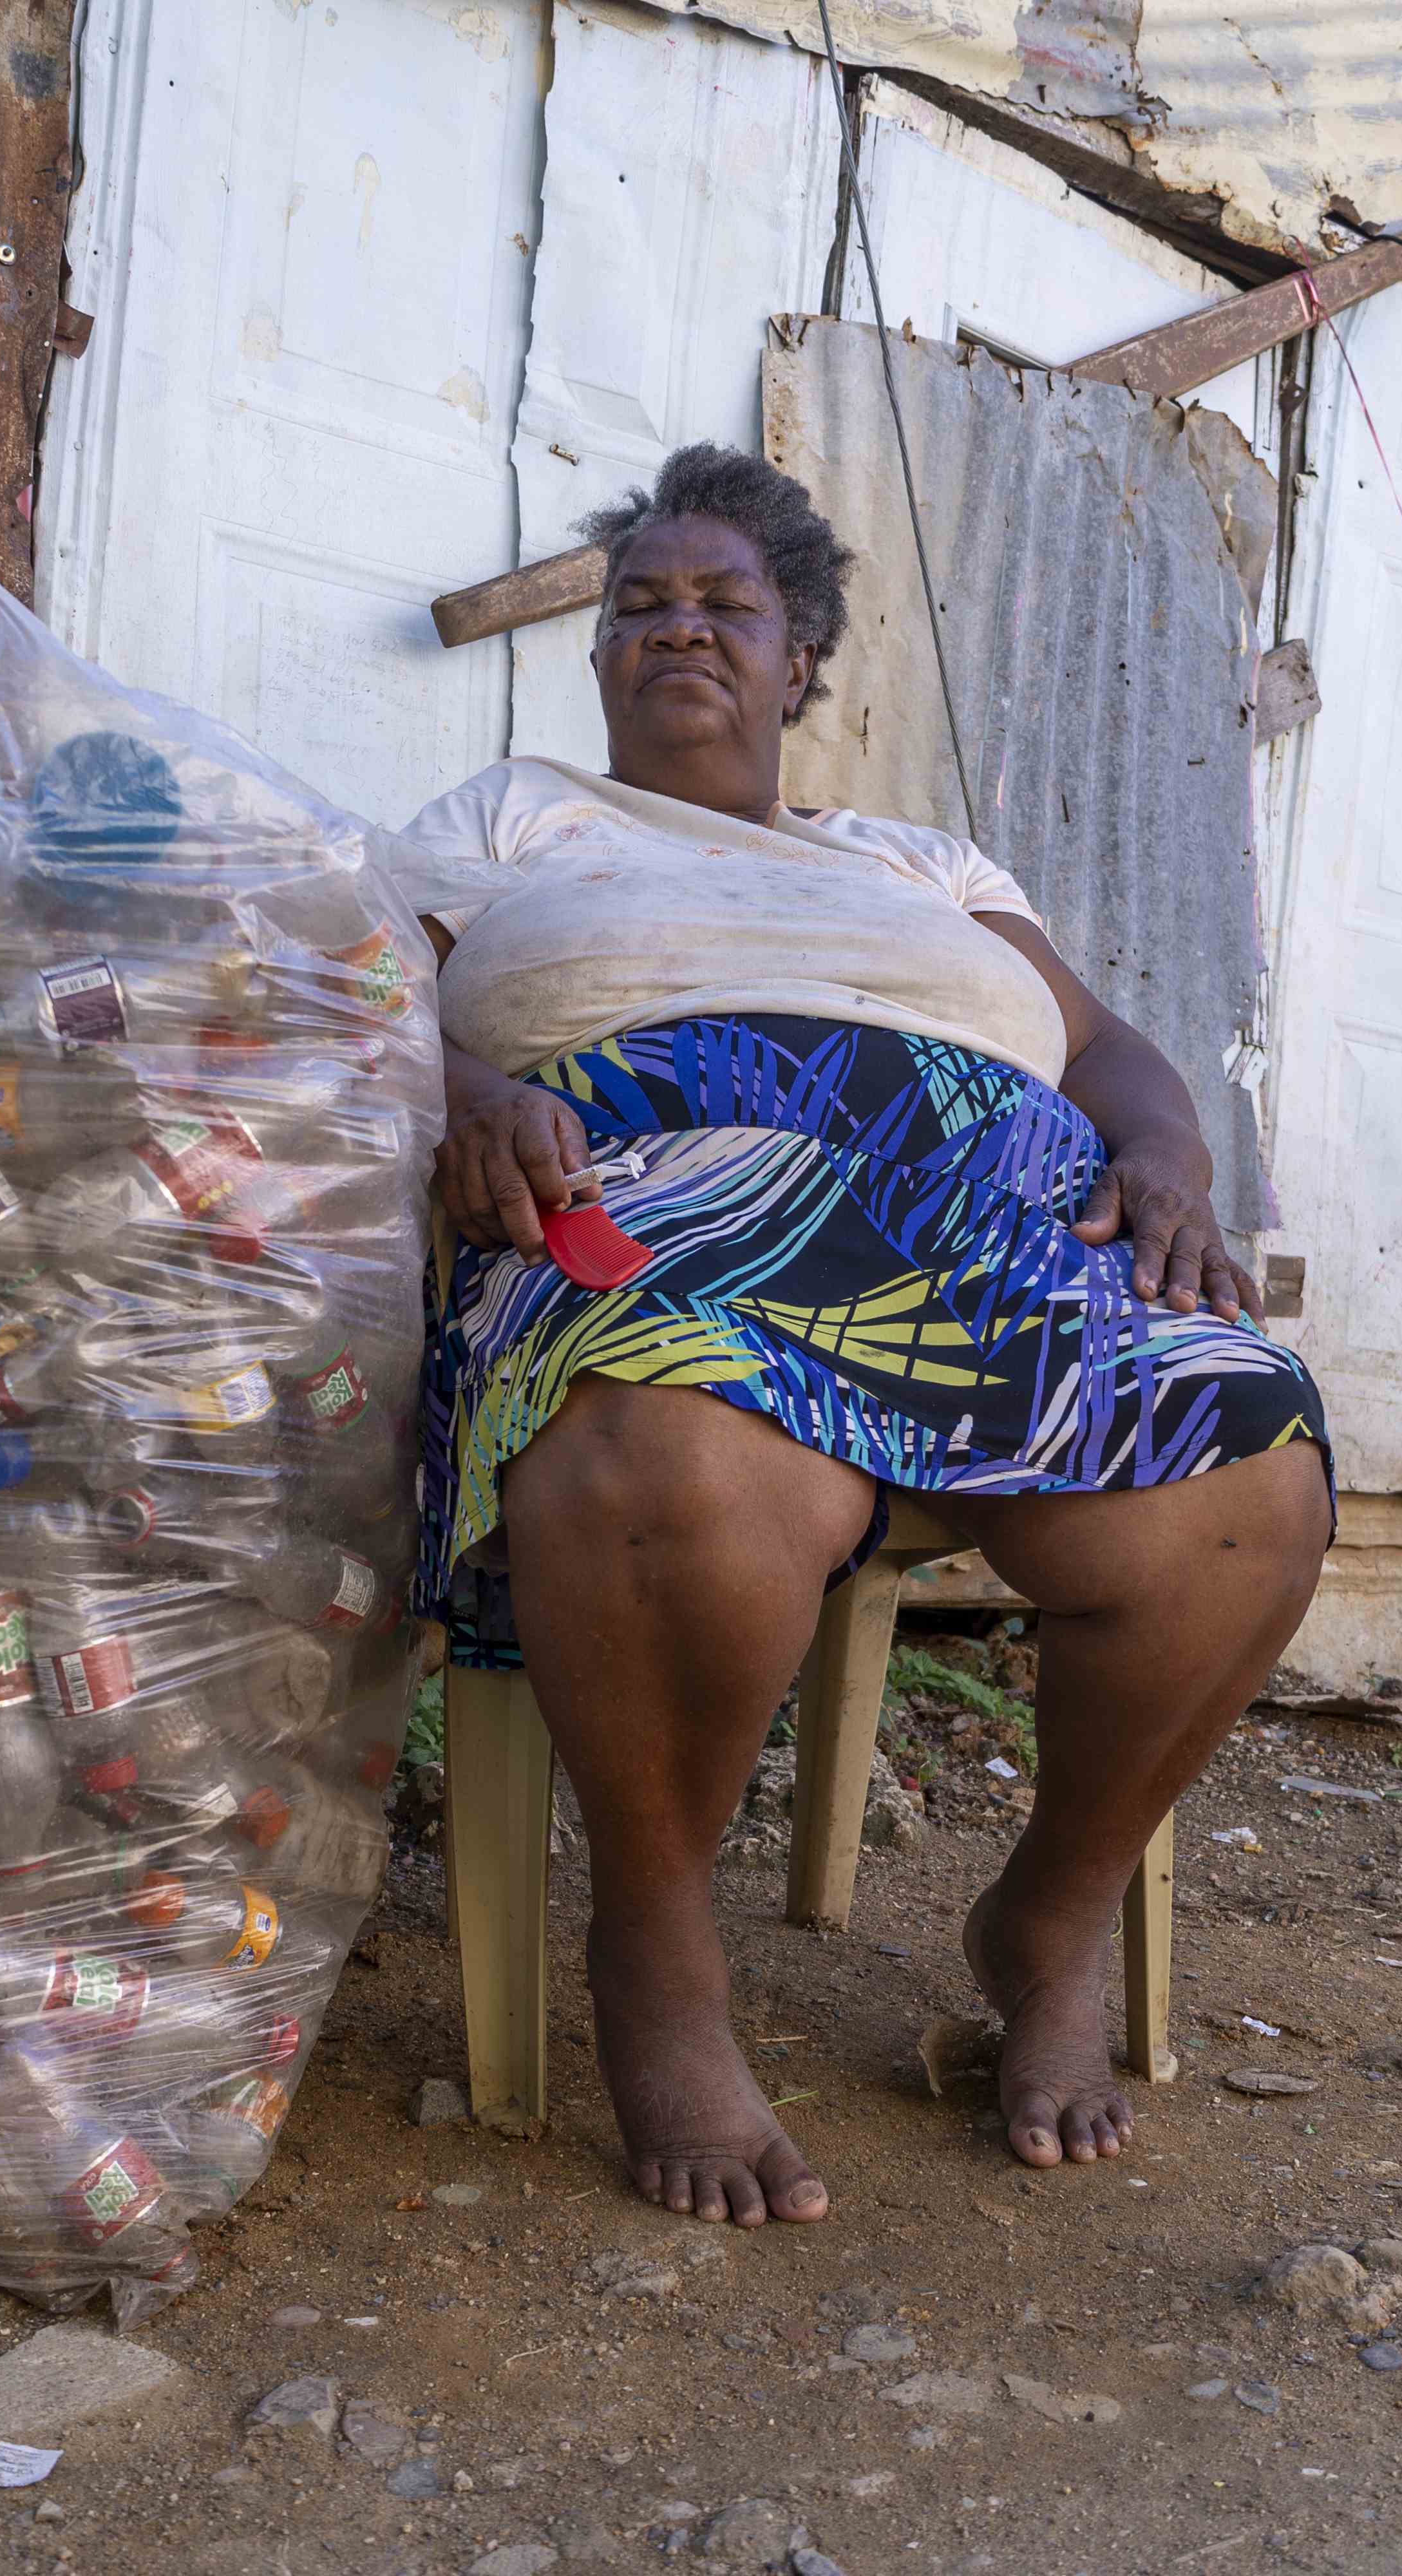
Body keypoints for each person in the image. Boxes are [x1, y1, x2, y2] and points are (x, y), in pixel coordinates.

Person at [404, 444, 1331, 2228]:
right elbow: (354, 999)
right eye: (641, 606)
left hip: (987, 1236)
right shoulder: (506, 816)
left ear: (801, 657)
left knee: (1243, 1452)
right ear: (595, 657)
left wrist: (1163, 1152)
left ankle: (1047, 1917)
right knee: (664, 1435)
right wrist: (461, 1088)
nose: (678, 629)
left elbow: (1111, 1048)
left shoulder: (918, 859)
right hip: (676, 1198)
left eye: (724, 603)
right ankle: (658, 1960)